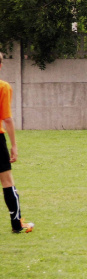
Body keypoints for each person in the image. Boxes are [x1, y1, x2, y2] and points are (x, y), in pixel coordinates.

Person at [0, 53, 33, 233]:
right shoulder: (3, 87)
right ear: (1, 65)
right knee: (7, 182)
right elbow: (7, 119)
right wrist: (14, 146)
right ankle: (17, 224)